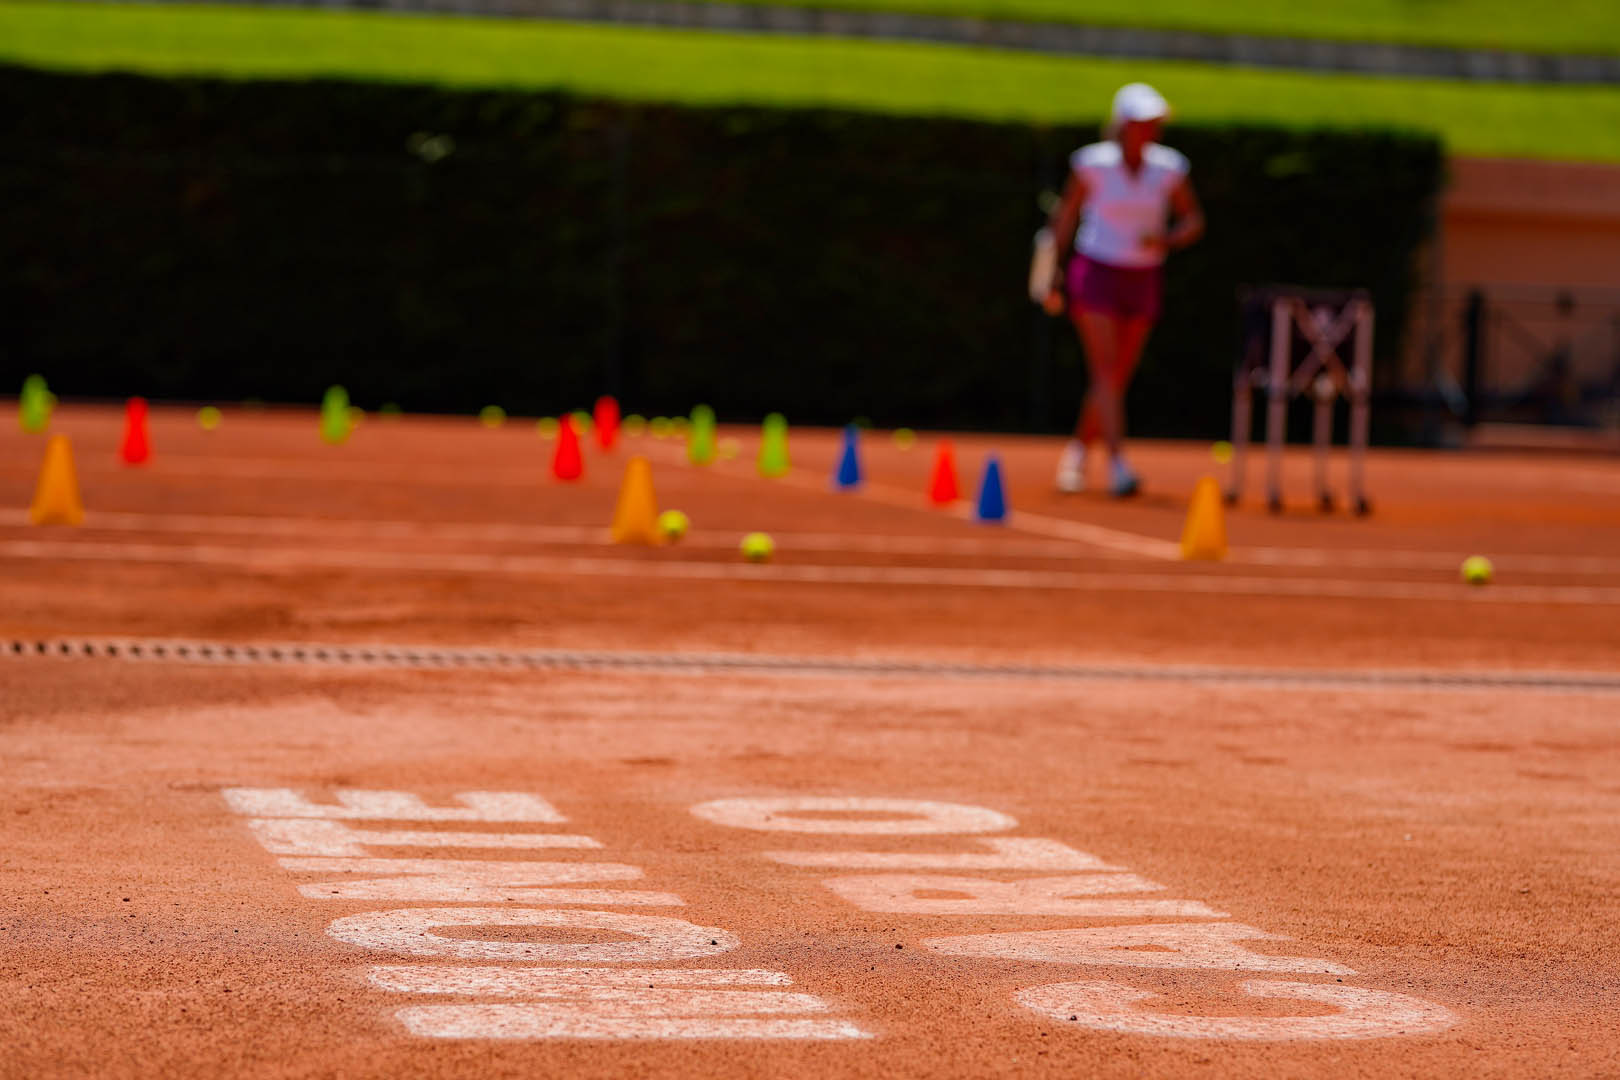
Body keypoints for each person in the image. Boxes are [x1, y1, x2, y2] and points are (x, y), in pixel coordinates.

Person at [1040, 82, 1204, 496]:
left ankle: (1077, 453)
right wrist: (1052, 276)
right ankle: (1117, 466)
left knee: (1115, 376)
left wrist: (1164, 240)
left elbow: (1193, 221)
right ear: (1123, 124)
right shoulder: (1092, 164)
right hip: (1095, 271)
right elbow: (1065, 219)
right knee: (1107, 371)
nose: (1149, 130)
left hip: (1143, 275)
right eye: (1141, 122)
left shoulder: (1169, 168)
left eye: (1154, 123)